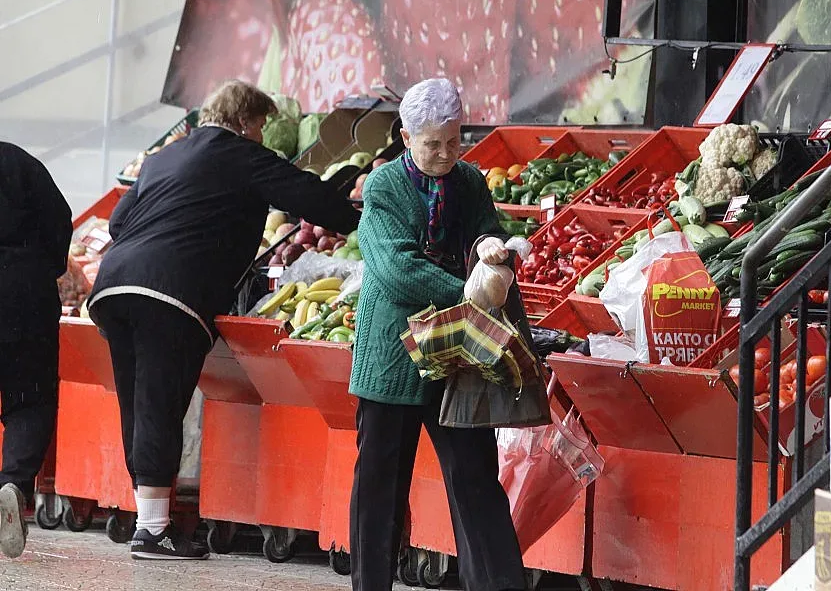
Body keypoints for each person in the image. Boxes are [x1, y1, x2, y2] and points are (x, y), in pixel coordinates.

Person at [88, 80, 360, 560]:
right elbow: (313, 202)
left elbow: (117, 222)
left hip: (114, 284)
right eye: (259, 126)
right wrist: (353, 209)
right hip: (169, 292)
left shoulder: (164, 157)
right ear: (242, 122)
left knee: (137, 400)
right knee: (160, 401)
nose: (260, 136)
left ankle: (148, 520)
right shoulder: (240, 154)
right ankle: (152, 532)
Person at [348, 78, 526, 591]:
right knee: (381, 482)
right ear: (406, 138)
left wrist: (491, 246)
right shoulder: (382, 187)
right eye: (433, 144)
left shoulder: (470, 181)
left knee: (475, 477)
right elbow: (396, 270)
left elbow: (484, 228)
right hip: (393, 355)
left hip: (459, 351)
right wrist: (467, 287)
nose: (446, 153)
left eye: (454, 141)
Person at [0, 142, 73, 559]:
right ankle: (13, 483)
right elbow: (58, 220)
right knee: (29, 398)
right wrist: (42, 268)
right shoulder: (19, 161)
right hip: (26, 292)